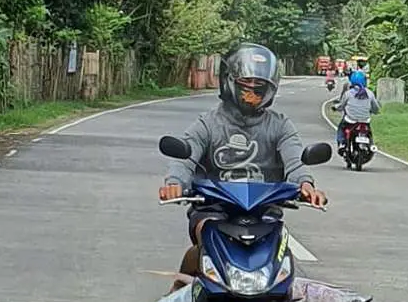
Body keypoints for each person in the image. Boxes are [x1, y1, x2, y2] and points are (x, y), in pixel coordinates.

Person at [158, 43, 328, 288]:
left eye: (259, 89)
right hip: (213, 210)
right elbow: (186, 155)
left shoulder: (280, 126)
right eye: (245, 87)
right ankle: (178, 298)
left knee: (284, 261)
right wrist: (175, 183)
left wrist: (305, 184)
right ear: (228, 83)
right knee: (206, 242)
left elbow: (295, 160)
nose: (252, 95)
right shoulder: (208, 124)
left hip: (264, 213)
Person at [335, 70, 381, 154]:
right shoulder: (370, 93)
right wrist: (376, 111)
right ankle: (371, 144)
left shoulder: (348, 93)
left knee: (341, 128)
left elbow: (341, 106)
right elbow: (375, 107)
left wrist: (336, 108)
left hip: (350, 120)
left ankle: (342, 143)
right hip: (365, 120)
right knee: (369, 132)